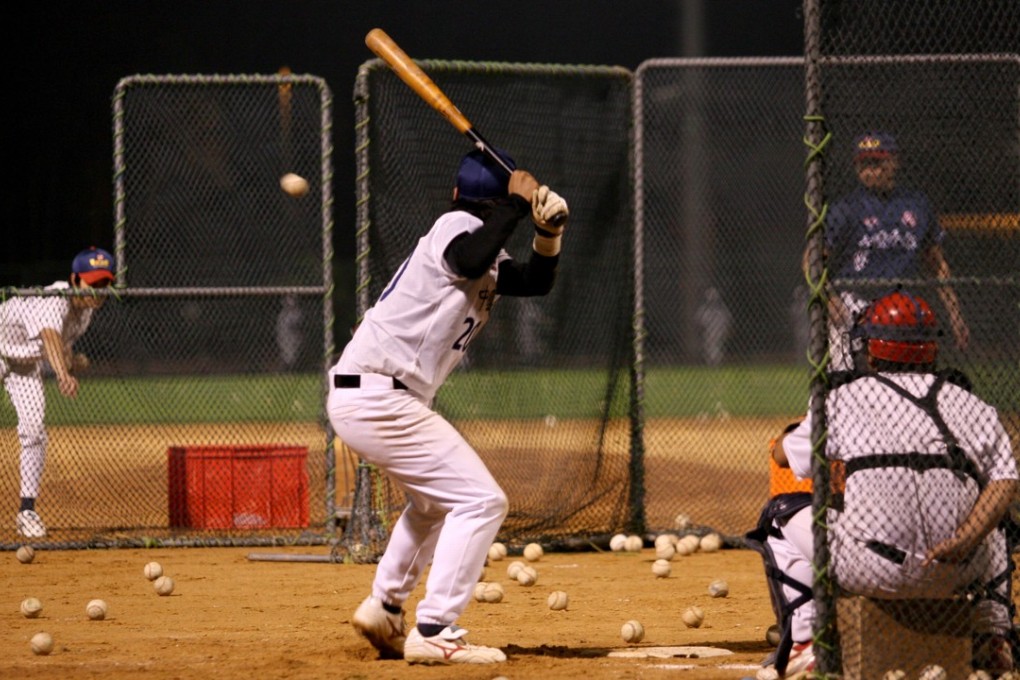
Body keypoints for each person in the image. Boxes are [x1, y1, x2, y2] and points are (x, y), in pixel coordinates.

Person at [326, 148, 568, 665]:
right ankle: (436, 629)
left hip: (377, 396)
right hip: (379, 394)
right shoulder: (455, 228)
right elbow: (468, 259)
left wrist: (547, 234)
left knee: (433, 504)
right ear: (493, 202)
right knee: (481, 501)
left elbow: (534, 281)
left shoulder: (483, 244)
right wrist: (517, 202)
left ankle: (385, 607)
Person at [749, 289, 1016, 677]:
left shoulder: (842, 399)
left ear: (871, 350)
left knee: (779, 515)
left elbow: (782, 458)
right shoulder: (970, 404)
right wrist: (965, 538)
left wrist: (801, 430)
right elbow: (1006, 480)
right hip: (956, 570)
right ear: (932, 349)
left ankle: (806, 643)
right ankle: (993, 636)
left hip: (872, 570)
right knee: (996, 523)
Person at [820, 131, 969, 371]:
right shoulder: (846, 208)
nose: (869, 170)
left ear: (894, 162)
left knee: (905, 377)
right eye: (863, 164)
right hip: (854, 304)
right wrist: (829, 298)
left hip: (901, 309)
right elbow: (812, 260)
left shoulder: (916, 205)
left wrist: (954, 311)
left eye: (876, 162)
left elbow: (936, 264)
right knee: (842, 376)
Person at [1, 247, 115, 538]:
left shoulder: (85, 311)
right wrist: (63, 374)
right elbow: (50, 335)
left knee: (34, 430)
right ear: (75, 280)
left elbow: (60, 346)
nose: (99, 290)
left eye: (105, 283)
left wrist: (70, 361)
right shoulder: (57, 298)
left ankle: (27, 511)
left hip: (25, 365)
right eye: (93, 282)